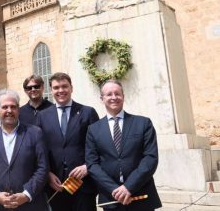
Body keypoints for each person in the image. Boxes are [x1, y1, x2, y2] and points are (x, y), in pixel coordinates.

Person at [86, 80, 162, 210]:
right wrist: (115, 190)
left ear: (123, 96)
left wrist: (128, 187)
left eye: (117, 93)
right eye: (109, 94)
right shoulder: (93, 129)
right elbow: (92, 164)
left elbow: (150, 158)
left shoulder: (143, 123)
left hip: (141, 194)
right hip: (111, 198)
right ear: (102, 98)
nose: (114, 97)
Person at [36, 72, 99, 211]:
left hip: (83, 184)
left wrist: (88, 166)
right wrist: (47, 174)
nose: (61, 90)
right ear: (51, 90)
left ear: (71, 88)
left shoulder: (87, 112)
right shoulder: (42, 116)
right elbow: (40, 149)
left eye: (64, 86)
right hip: (55, 185)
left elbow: (99, 146)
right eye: (56, 87)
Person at [0, 90, 48, 211]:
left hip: (30, 205)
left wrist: (26, 195)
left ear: (18, 109)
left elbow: (42, 168)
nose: (9, 110)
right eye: (5, 107)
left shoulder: (35, 133)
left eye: (13, 107)